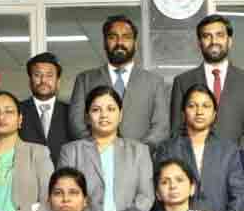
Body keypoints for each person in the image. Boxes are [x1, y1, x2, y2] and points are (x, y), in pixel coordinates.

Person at [58, 85, 155, 211]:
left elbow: (146, 196)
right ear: (87, 117)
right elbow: (66, 195)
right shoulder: (71, 151)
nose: (104, 115)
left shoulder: (139, 151)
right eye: (96, 110)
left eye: (111, 109)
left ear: (120, 115)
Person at [67, 15, 170, 146]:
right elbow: (76, 124)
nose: (119, 42)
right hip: (94, 155)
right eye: (113, 37)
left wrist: (138, 152)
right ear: (104, 43)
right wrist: (98, 148)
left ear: (135, 44)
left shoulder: (155, 82)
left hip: (141, 156)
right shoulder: (85, 80)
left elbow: (161, 128)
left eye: (126, 37)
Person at [169, 14, 244, 149]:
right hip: (193, 159)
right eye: (207, 36)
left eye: (220, 35)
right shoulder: (182, 82)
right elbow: (176, 131)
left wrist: (230, 155)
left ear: (229, 41)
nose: (214, 41)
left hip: (236, 159)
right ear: (199, 43)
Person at [155, 84, 242, 211]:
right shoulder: (168, 148)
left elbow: (239, 195)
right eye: (192, 106)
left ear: (214, 114)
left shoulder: (228, 150)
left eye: (206, 106)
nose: (199, 111)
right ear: (183, 113)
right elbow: (160, 191)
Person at [19, 52, 73, 164]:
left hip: (63, 172)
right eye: (37, 75)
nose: (43, 80)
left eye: (49, 75)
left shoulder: (71, 113)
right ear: (30, 80)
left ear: (58, 81)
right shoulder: (17, 111)